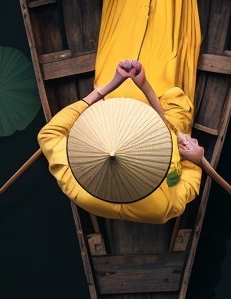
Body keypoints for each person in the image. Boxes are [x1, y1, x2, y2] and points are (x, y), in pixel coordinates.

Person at [38, 58, 205, 225]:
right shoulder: (162, 205)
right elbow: (184, 178)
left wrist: (106, 88)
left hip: (119, 97)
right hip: (151, 106)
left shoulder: (77, 187)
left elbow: (48, 134)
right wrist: (194, 162)